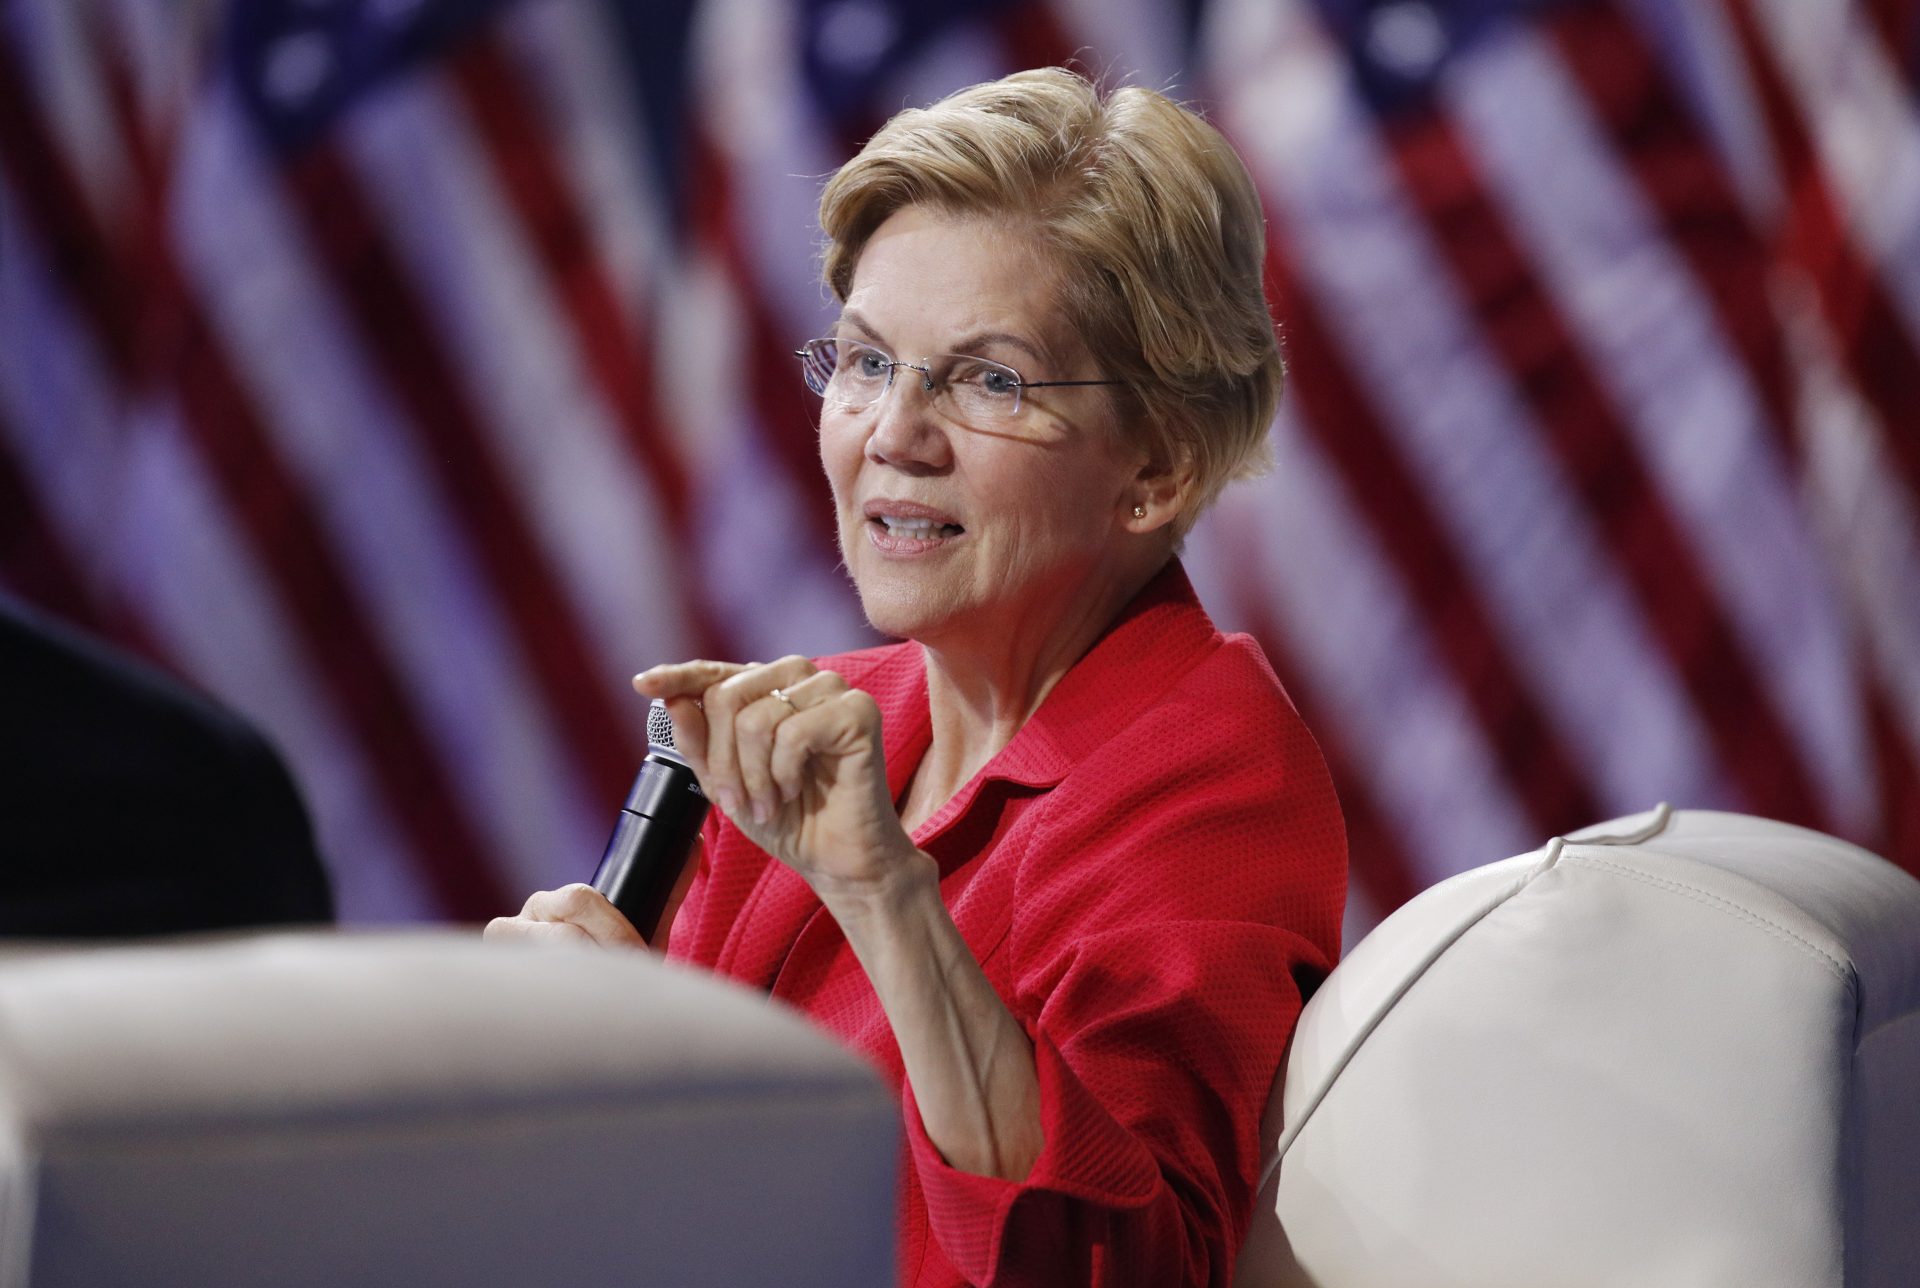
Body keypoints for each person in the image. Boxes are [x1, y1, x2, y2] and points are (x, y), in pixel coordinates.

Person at [487, 67, 1346, 1287]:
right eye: (866, 363)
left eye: (989, 379)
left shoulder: (1209, 776)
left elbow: (1115, 1261)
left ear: (1155, 467)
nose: (896, 432)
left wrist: (884, 893)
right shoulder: (812, 735)